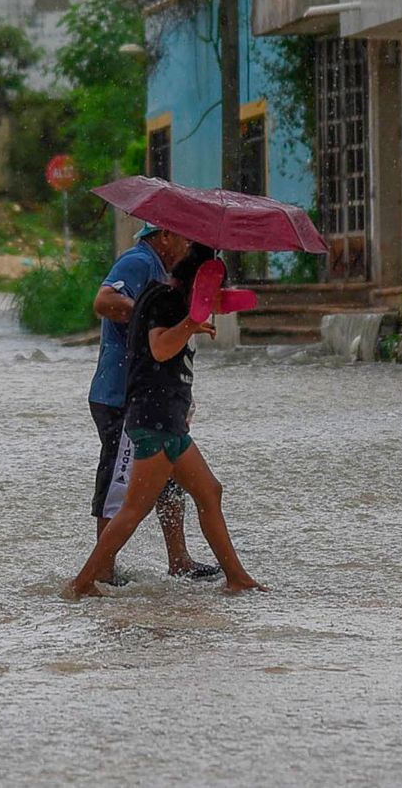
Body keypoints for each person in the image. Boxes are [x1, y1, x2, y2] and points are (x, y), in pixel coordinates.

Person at [71, 245, 265, 597]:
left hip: (169, 421)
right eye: (215, 289)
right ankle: (84, 582)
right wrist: (191, 324)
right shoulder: (166, 301)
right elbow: (160, 348)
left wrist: (196, 319)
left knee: (209, 491)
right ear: (199, 286)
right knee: (134, 509)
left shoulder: (169, 301)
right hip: (154, 422)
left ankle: (237, 578)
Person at [88, 223, 220, 581]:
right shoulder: (139, 261)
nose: (187, 246)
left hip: (154, 397)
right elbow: (103, 302)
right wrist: (149, 316)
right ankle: (100, 572)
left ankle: (179, 559)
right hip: (121, 395)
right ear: (163, 236)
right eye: (184, 238)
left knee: (169, 478)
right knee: (119, 484)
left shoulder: (163, 275)